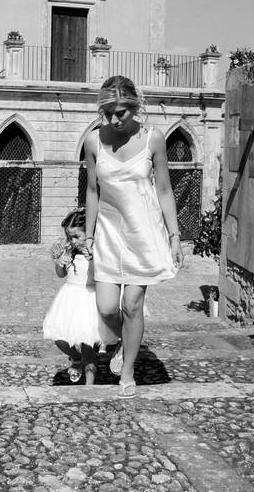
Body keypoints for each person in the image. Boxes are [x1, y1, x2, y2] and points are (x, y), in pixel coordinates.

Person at [83, 75, 182, 398]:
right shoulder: (94, 142)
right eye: (108, 112)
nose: (114, 119)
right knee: (108, 307)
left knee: (132, 303)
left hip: (144, 234)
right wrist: (88, 234)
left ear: (136, 106)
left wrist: (174, 236)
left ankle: (127, 372)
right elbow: (92, 191)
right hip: (109, 236)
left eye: (121, 112)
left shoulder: (154, 139)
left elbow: (165, 190)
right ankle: (122, 341)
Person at [43, 208, 117, 385]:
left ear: (90, 233)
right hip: (69, 299)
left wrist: (93, 259)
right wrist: (60, 264)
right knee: (59, 337)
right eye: (70, 237)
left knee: (88, 345)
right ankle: (75, 358)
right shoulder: (69, 252)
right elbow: (61, 274)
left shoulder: (98, 252)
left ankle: (89, 384)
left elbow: (105, 274)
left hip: (90, 300)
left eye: (76, 236)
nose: (72, 241)